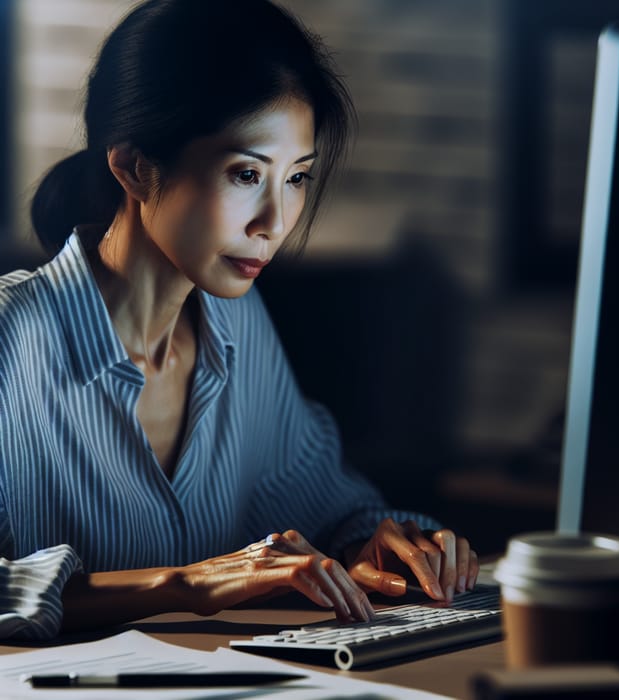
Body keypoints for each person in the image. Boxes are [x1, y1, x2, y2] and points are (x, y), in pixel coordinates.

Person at [0, 0, 478, 640]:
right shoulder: (13, 337)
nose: (274, 224)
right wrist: (186, 583)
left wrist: (377, 546)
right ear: (136, 166)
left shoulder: (238, 324)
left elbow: (329, 509)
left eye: (297, 177)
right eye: (246, 173)